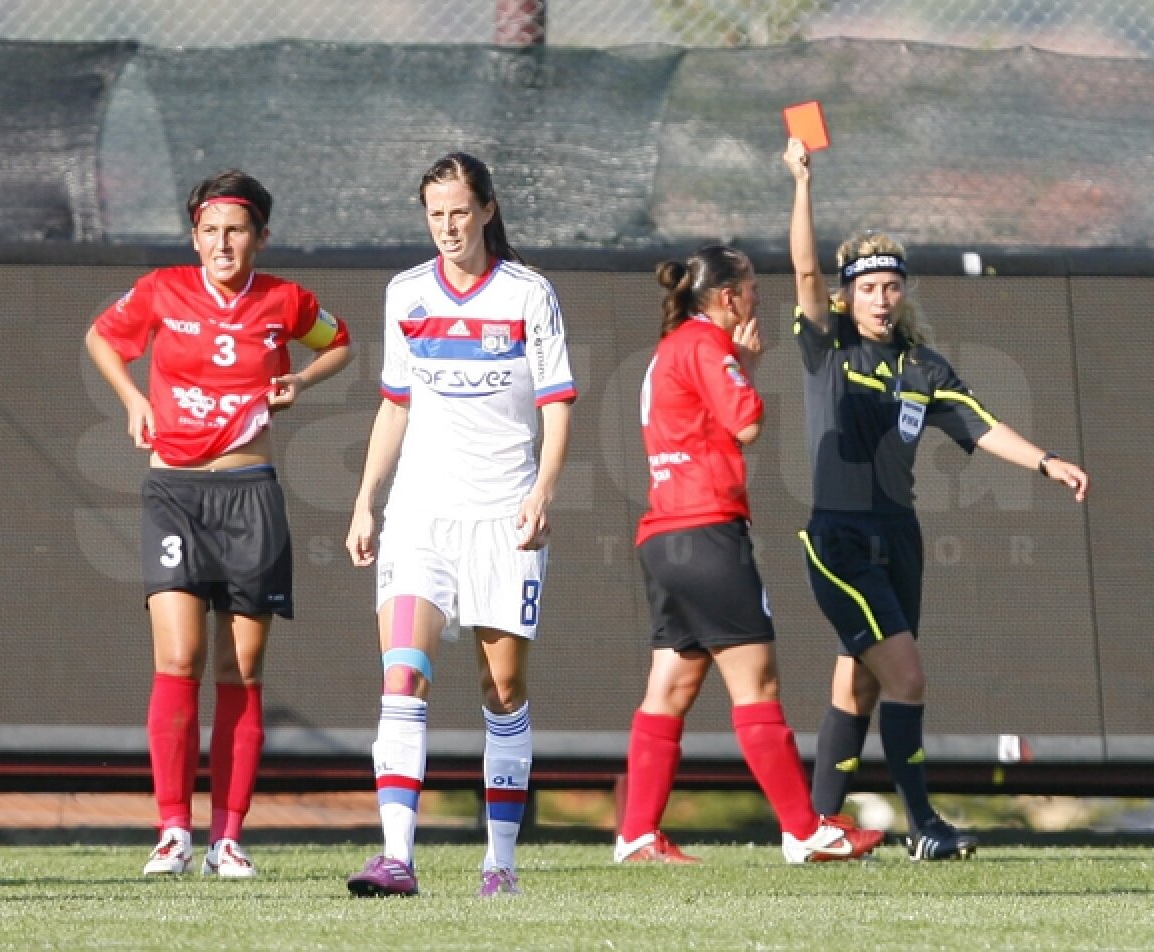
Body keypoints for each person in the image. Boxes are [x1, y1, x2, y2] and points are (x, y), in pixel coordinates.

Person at [782, 137, 1090, 860]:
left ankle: (814, 831)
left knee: (858, 687)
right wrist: (802, 183)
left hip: (900, 537)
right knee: (908, 676)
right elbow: (801, 269)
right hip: (840, 541)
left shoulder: (922, 366)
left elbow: (981, 428)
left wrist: (1047, 462)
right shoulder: (831, 350)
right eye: (866, 287)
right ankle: (923, 826)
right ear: (846, 293)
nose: (881, 298)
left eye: (891, 286)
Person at [85, 169, 352, 878]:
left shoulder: (285, 301)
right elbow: (103, 339)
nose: (222, 243)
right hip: (173, 491)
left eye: (236, 229)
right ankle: (172, 832)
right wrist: (132, 401)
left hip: (249, 492)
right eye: (210, 230)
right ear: (194, 236)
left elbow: (339, 341)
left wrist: (300, 380)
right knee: (178, 659)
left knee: (242, 667)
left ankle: (227, 838)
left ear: (261, 235)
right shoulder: (160, 291)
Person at [344, 152, 576, 899]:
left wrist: (543, 489)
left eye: (458, 212)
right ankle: (396, 859)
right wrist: (366, 497)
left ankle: (499, 862)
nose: (446, 227)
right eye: (434, 214)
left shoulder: (528, 294)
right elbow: (396, 400)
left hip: (502, 518)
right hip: (421, 516)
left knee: (501, 689)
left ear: (485, 210)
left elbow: (558, 401)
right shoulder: (406, 294)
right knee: (403, 675)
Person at [614, 245, 885, 867]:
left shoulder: (667, 349)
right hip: (708, 530)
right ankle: (803, 830)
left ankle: (636, 834)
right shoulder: (706, 344)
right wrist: (743, 365)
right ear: (729, 296)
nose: (759, 298)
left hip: (662, 536)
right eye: (753, 289)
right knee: (756, 684)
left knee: (672, 685)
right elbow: (746, 421)